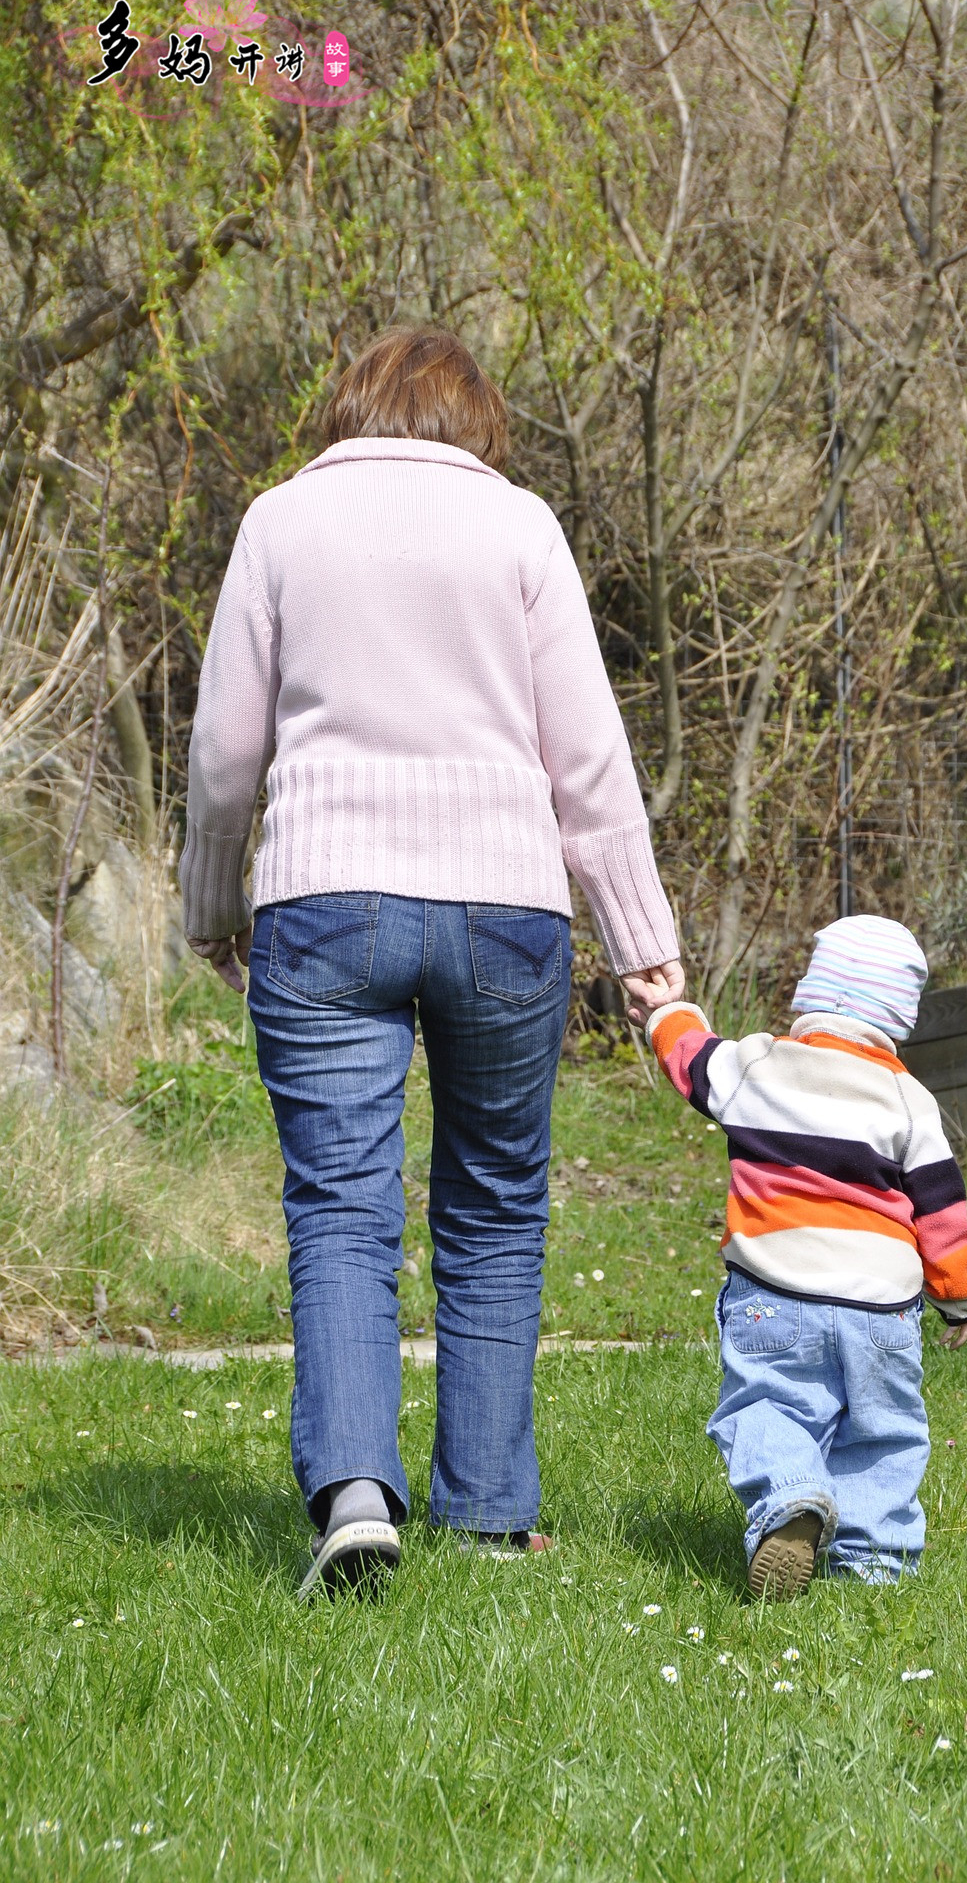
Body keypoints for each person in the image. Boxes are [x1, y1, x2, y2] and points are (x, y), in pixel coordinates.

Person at [180, 326, 683, 1597]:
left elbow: (227, 751)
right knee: (497, 1203)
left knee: (343, 1205)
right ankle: (491, 1516)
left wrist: (207, 898)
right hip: (507, 906)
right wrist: (646, 948)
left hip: (325, 897)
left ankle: (356, 1497)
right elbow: (589, 758)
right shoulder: (520, 528)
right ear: (477, 420)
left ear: (350, 405)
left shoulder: (280, 523)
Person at [633, 914, 967, 1601]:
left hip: (773, 1296)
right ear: (900, 1016)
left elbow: (690, 1057)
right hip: (881, 1311)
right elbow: (943, 1214)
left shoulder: (757, 1064)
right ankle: (875, 1569)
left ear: (807, 992)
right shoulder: (908, 1099)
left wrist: (663, 1010)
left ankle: (790, 1497)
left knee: (767, 1407)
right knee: (881, 1433)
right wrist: (958, 1299)